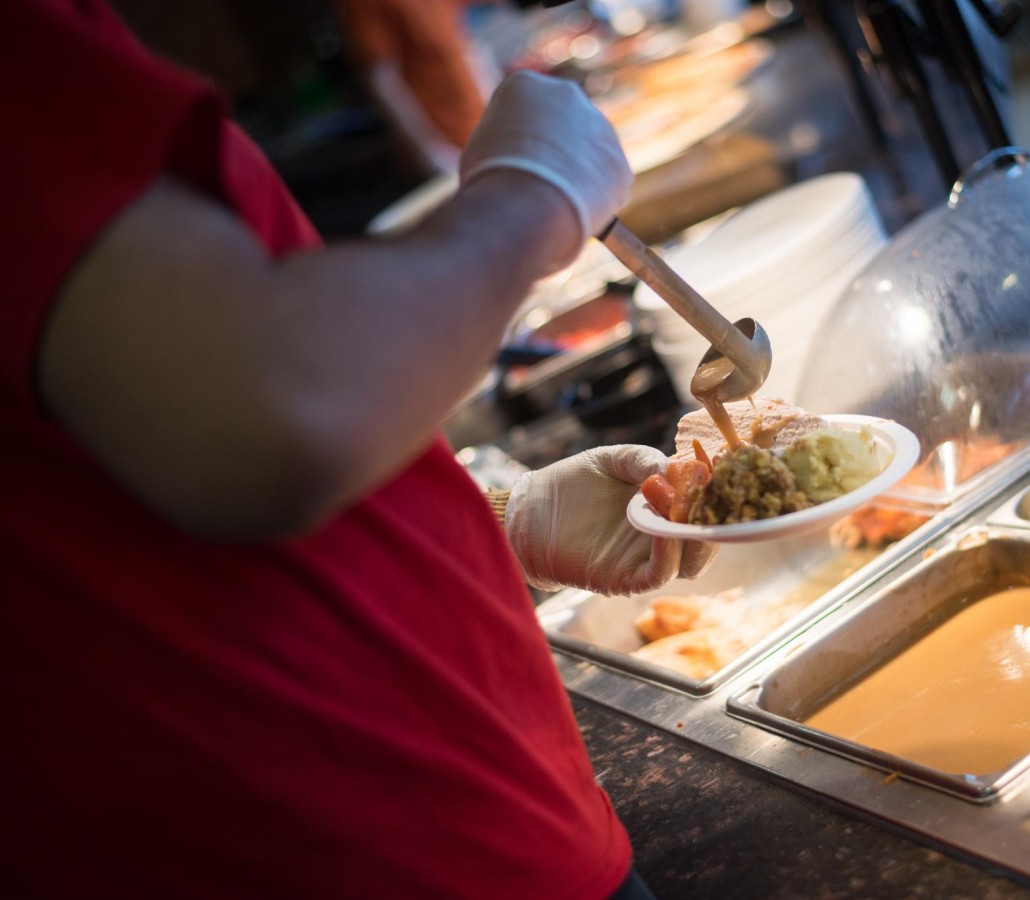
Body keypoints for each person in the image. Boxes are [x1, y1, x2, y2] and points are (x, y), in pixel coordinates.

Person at [0, 1, 714, 896]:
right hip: (359, 840)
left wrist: (493, 522)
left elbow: (125, 453)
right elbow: (276, 407)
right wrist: (536, 192)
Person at [341, 0, 495, 174]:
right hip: (448, 150)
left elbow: (462, 40)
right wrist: (430, 151)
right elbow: (384, 80)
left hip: (483, 128)